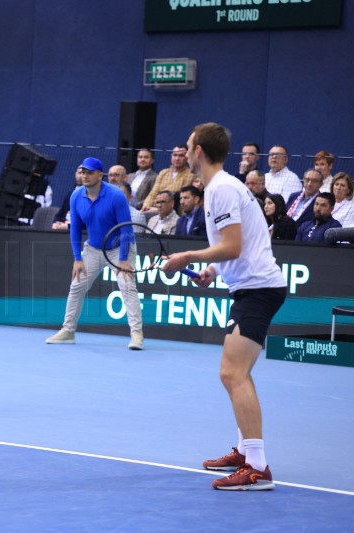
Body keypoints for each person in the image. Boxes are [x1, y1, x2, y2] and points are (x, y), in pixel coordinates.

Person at [162, 122, 286, 491]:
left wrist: (187, 255)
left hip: (259, 289)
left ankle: (258, 468)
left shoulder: (221, 190)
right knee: (233, 373)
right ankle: (247, 452)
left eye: (187, 145)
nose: (184, 151)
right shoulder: (225, 187)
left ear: (199, 151)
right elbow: (242, 242)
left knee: (233, 374)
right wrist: (212, 270)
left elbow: (233, 245)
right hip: (250, 287)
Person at [45, 156, 143, 349]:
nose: (85, 176)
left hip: (120, 249)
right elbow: (74, 229)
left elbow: (126, 230)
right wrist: (77, 258)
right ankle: (68, 331)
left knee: (127, 287)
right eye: (83, 172)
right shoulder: (76, 196)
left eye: (89, 172)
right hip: (94, 249)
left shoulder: (116, 195)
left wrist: (123, 259)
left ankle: (137, 335)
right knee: (77, 286)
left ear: (100, 175)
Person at [141, 145, 193, 211]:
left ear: (187, 157)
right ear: (171, 157)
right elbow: (153, 193)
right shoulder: (163, 173)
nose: (177, 158)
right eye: (175, 155)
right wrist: (146, 205)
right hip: (154, 208)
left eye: (181, 156)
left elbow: (176, 195)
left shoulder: (191, 174)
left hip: (174, 210)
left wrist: (156, 208)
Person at [52, 166, 81, 230]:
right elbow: (59, 214)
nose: (81, 176)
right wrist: (55, 223)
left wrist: (68, 226)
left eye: (84, 173)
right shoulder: (69, 194)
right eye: (80, 173)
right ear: (75, 174)